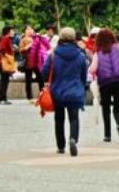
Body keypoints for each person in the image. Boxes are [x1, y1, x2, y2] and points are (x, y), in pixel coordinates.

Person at [42, 27, 87, 156]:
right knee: (74, 118)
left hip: (57, 91)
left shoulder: (53, 54)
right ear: (74, 38)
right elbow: (84, 74)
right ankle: (73, 139)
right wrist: (81, 86)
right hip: (75, 90)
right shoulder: (80, 55)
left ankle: (60, 146)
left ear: (60, 38)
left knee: (59, 119)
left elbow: (44, 72)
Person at [89, 28, 119, 142]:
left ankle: (107, 135)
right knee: (118, 107)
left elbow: (92, 69)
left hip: (104, 83)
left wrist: (91, 70)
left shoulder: (97, 53)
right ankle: (118, 124)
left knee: (106, 108)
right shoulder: (118, 49)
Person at [0, 25, 16, 105]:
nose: (14, 32)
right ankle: (2, 99)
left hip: (4, 62)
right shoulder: (6, 38)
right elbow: (2, 49)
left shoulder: (6, 38)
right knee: (4, 81)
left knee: (4, 80)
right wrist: (8, 56)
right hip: (4, 62)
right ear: (9, 31)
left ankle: (3, 98)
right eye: (12, 30)